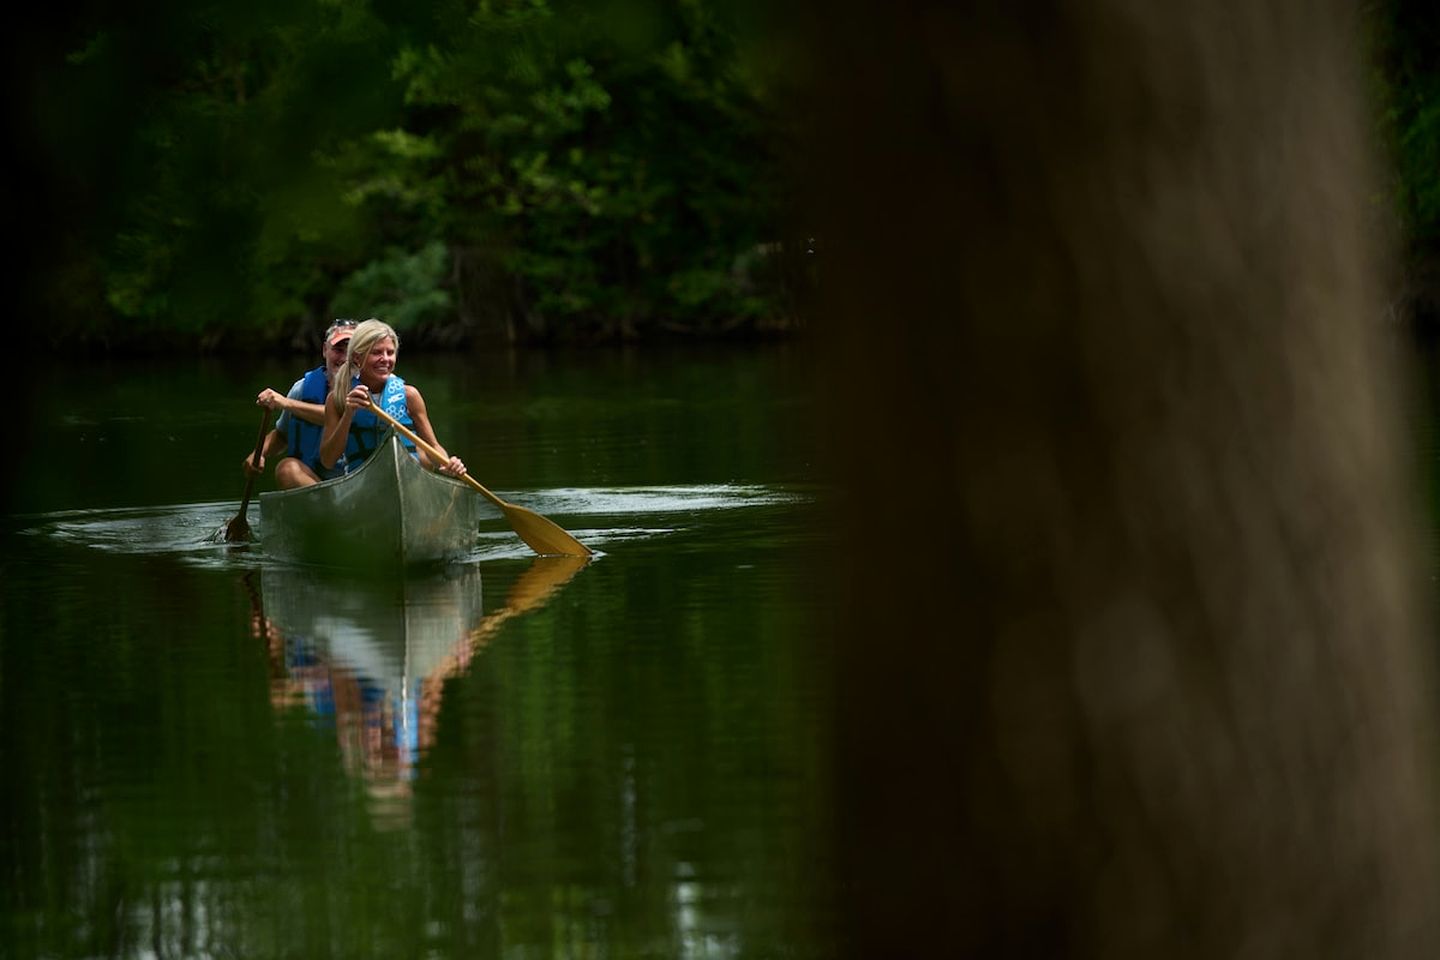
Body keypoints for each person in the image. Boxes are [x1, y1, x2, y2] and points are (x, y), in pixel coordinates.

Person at [318, 318, 468, 479]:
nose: (385, 359)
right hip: (362, 481)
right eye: (376, 352)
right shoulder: (337, 399)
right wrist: (348, 414)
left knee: (424, 457)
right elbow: (328, 461)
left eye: (390, 352)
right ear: (357, 358)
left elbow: (433, 446)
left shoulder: (410, 395)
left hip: (408, 478)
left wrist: (448, 463)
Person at [242, 319, 357, 488]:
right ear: (325, 350)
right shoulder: (302, 389)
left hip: (360, 478)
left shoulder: (371, 387)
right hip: (314, 481)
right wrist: (258, 454)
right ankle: (328, 505)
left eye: (352, 351)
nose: (345, 358)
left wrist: (286, 403)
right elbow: (282, 435)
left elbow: (335, 415)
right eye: (338, 350)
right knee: (287, 468)